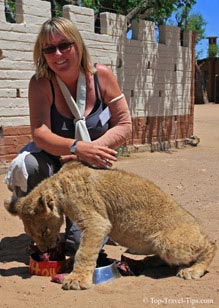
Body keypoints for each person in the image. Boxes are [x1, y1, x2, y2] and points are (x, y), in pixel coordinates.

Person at [5, 16, 132, 249]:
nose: (58, 55)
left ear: (78, 44)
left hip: (92, 167)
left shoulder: (102, 76)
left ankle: (101, 223)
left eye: (65, 45)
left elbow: (124, 123)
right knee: (31, 165)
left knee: (80, 243)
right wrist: (76, 147)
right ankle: (44, 227)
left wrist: (92, 151)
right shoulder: (41, 83)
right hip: (57, 163)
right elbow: (40, 133)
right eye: (49, 49)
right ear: (42, 54)